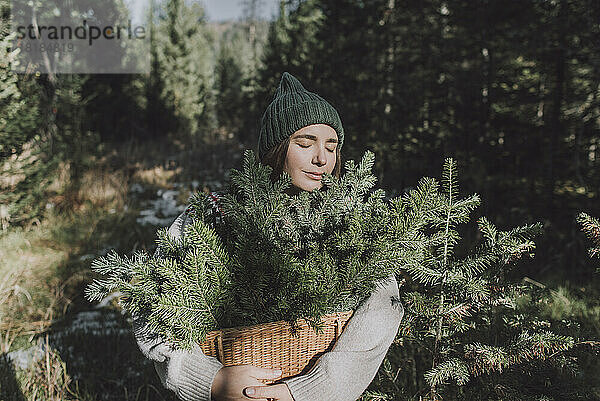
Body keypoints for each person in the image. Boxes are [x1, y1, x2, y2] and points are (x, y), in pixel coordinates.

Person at [133, 72, 404, 401]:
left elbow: (381, 311)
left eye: (331, 147)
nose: (322, 158)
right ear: (277, 149)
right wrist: (210, 381)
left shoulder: (347, 226)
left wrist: (313, 389)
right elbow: (153, 309)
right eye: (305, 143)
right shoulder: (215, 216)